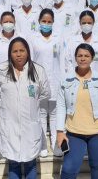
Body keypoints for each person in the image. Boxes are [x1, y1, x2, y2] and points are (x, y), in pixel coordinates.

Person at [56, 43, 98, 179]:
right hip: (75, 133)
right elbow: (61, 107)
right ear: (75, 58)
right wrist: (60, 132)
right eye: (80, 55)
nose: (83, 58)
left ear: (92, 58)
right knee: (69, 169)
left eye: (86, 56)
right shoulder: (66, 79)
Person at [0, 37, 50, 179]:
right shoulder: (2, 70)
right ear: (10, 53)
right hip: (10, 125)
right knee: (13, 163)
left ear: (28, 52)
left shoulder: (38, 70)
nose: (19, 54)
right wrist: (4, 104)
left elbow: (46, 93)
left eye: (22, 50)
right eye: (15, 51)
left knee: (30, 163)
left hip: (30, 125)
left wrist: (31, 103)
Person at [30, 9, 65, 157]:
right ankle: (42, 144)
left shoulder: (58, 38)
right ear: (39, 22)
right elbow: (30, 61)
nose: (46, 24)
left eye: (49, 21)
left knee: (56, 115)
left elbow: (63, 60)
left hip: (57, 80)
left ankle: (57, 145)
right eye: (43, 21)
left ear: (53, 22)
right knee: (41, 114)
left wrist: (64, 80)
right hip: (39, 81)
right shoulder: (33, 38)